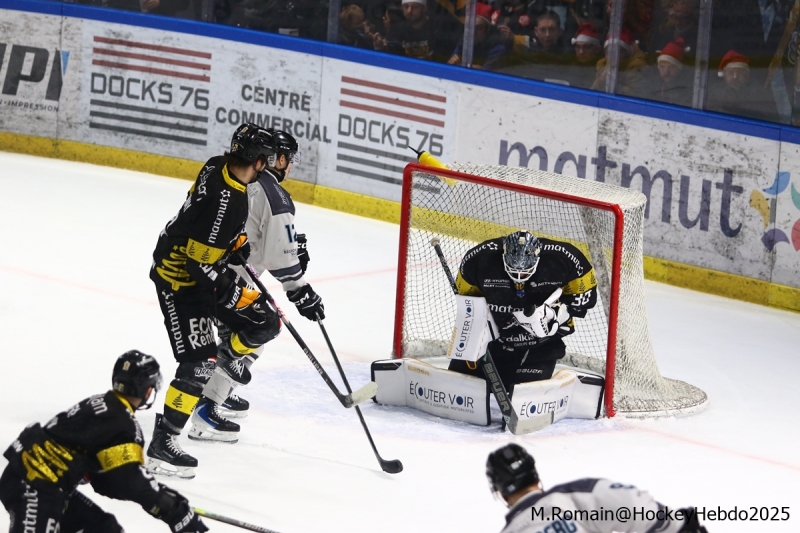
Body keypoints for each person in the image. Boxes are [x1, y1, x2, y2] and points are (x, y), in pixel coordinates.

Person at [147, 123, 282, 478]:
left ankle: (226, 357)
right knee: (197, 365)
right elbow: (196, 264)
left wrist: (233, 243)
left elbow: (202, 225)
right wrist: (235, 291)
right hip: (179, 282)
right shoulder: (231, 201)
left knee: (265, 321)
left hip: (199, 268)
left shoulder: (217, 165)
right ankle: (163, 444)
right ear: (258, 161)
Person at [187, 129, 326, 441]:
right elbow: (280, 257)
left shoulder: (238, 176)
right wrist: (300, 289)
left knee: (247, 334)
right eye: (290, 160)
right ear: (280, 160)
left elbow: (258, 240)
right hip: (227, 281)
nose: (291, 166)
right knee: (257, 331)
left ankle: (216, 390)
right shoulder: (276, 196)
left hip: (204, 269)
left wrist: (290, 251)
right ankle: (207, 407)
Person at [0, 351, 208, 533]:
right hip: (34, 486)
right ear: (147, 390)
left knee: (103, 529)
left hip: (35, 481)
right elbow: (131, 481)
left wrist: (163, 499)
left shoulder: (99, 403)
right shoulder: (122, 425)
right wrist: (172, 509)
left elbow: (108, 481)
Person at [448, 230, 597, 391]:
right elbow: (467, 300)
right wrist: (480, 321)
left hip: (540, 347)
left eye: (525, 272)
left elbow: (585, 298)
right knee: (457, 386)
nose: (519, 277)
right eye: (513, 271)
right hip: (494, 343)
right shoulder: (479, 260)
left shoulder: (565, 259)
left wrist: (555, 314)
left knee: (522, 392)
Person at [486, 443, 709, 533]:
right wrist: (677, 525)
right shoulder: (573, 496)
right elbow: (633, 504)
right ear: (536, 477)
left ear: (501, 493)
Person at [706, 49, 779, 123]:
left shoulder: (758, 92)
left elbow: (767, 117)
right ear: (724, 75)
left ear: (747, 75)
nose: (735, 77)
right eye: (730, 73)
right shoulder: (716, 91)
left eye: (740, 73)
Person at [448, 3, 508, 70]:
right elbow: (450, 66)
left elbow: (485, 73)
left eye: (479, 28)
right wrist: (453, 63)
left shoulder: (497, 49)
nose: (473, 32)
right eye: (470, 26)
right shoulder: (463, 42)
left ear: (487, 30)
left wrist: (462, 64)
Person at [590, 28, 649, 96]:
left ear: (628, 52)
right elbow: (593, 92)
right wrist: (602, 78)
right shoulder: (602, 64)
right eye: (609, 52)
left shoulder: (638, 67)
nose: (612, 57)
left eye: (619, 53)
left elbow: (632, 95)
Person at [643, 37, 692, 106]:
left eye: (672, 67)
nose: (666, 72)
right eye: (662, 66)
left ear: (679, 68)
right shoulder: (650, 84)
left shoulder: (687, 89)